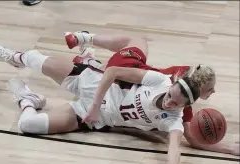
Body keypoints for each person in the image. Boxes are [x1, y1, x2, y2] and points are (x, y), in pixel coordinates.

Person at [0, 42, 204, 164]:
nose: (169, 101)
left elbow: (174, 146)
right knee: (34, 60)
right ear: (172, 86)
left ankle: (28, 99)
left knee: (27, 125)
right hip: (92, 84)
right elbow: (113, 72)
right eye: (170, 95)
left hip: (93, 118)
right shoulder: (160, 81)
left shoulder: (173, 120)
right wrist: (96, 104)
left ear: (182, 107)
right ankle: (14, 56)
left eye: (174, 103)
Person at [65, 31, 239, 157]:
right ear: (198, 88)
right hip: (125, 73)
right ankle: (85, 42)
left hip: (132, 73)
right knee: (135, 40)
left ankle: (86, 47)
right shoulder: (182, 102)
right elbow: (193, 140)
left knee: (138, 42)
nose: (213, 91)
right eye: (210, 89)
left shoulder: (184, 73)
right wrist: (229, 149)